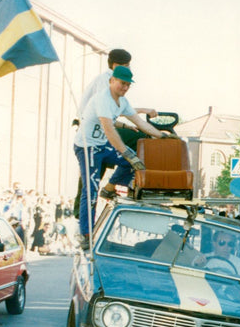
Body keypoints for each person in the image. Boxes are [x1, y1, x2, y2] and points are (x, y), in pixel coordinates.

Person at [73, 65, 172, 249]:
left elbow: (140, 122)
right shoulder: (103, 99)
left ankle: (110, 188)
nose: (124, 87)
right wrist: (126, 153)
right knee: (90, 190)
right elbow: (109, 129)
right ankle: (86, 234)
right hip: (87, 147)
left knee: (134, 161)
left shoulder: (122, 102)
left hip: (101, 146)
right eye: (121, 83)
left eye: (127, 85)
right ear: (112, 81)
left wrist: (162, 136)